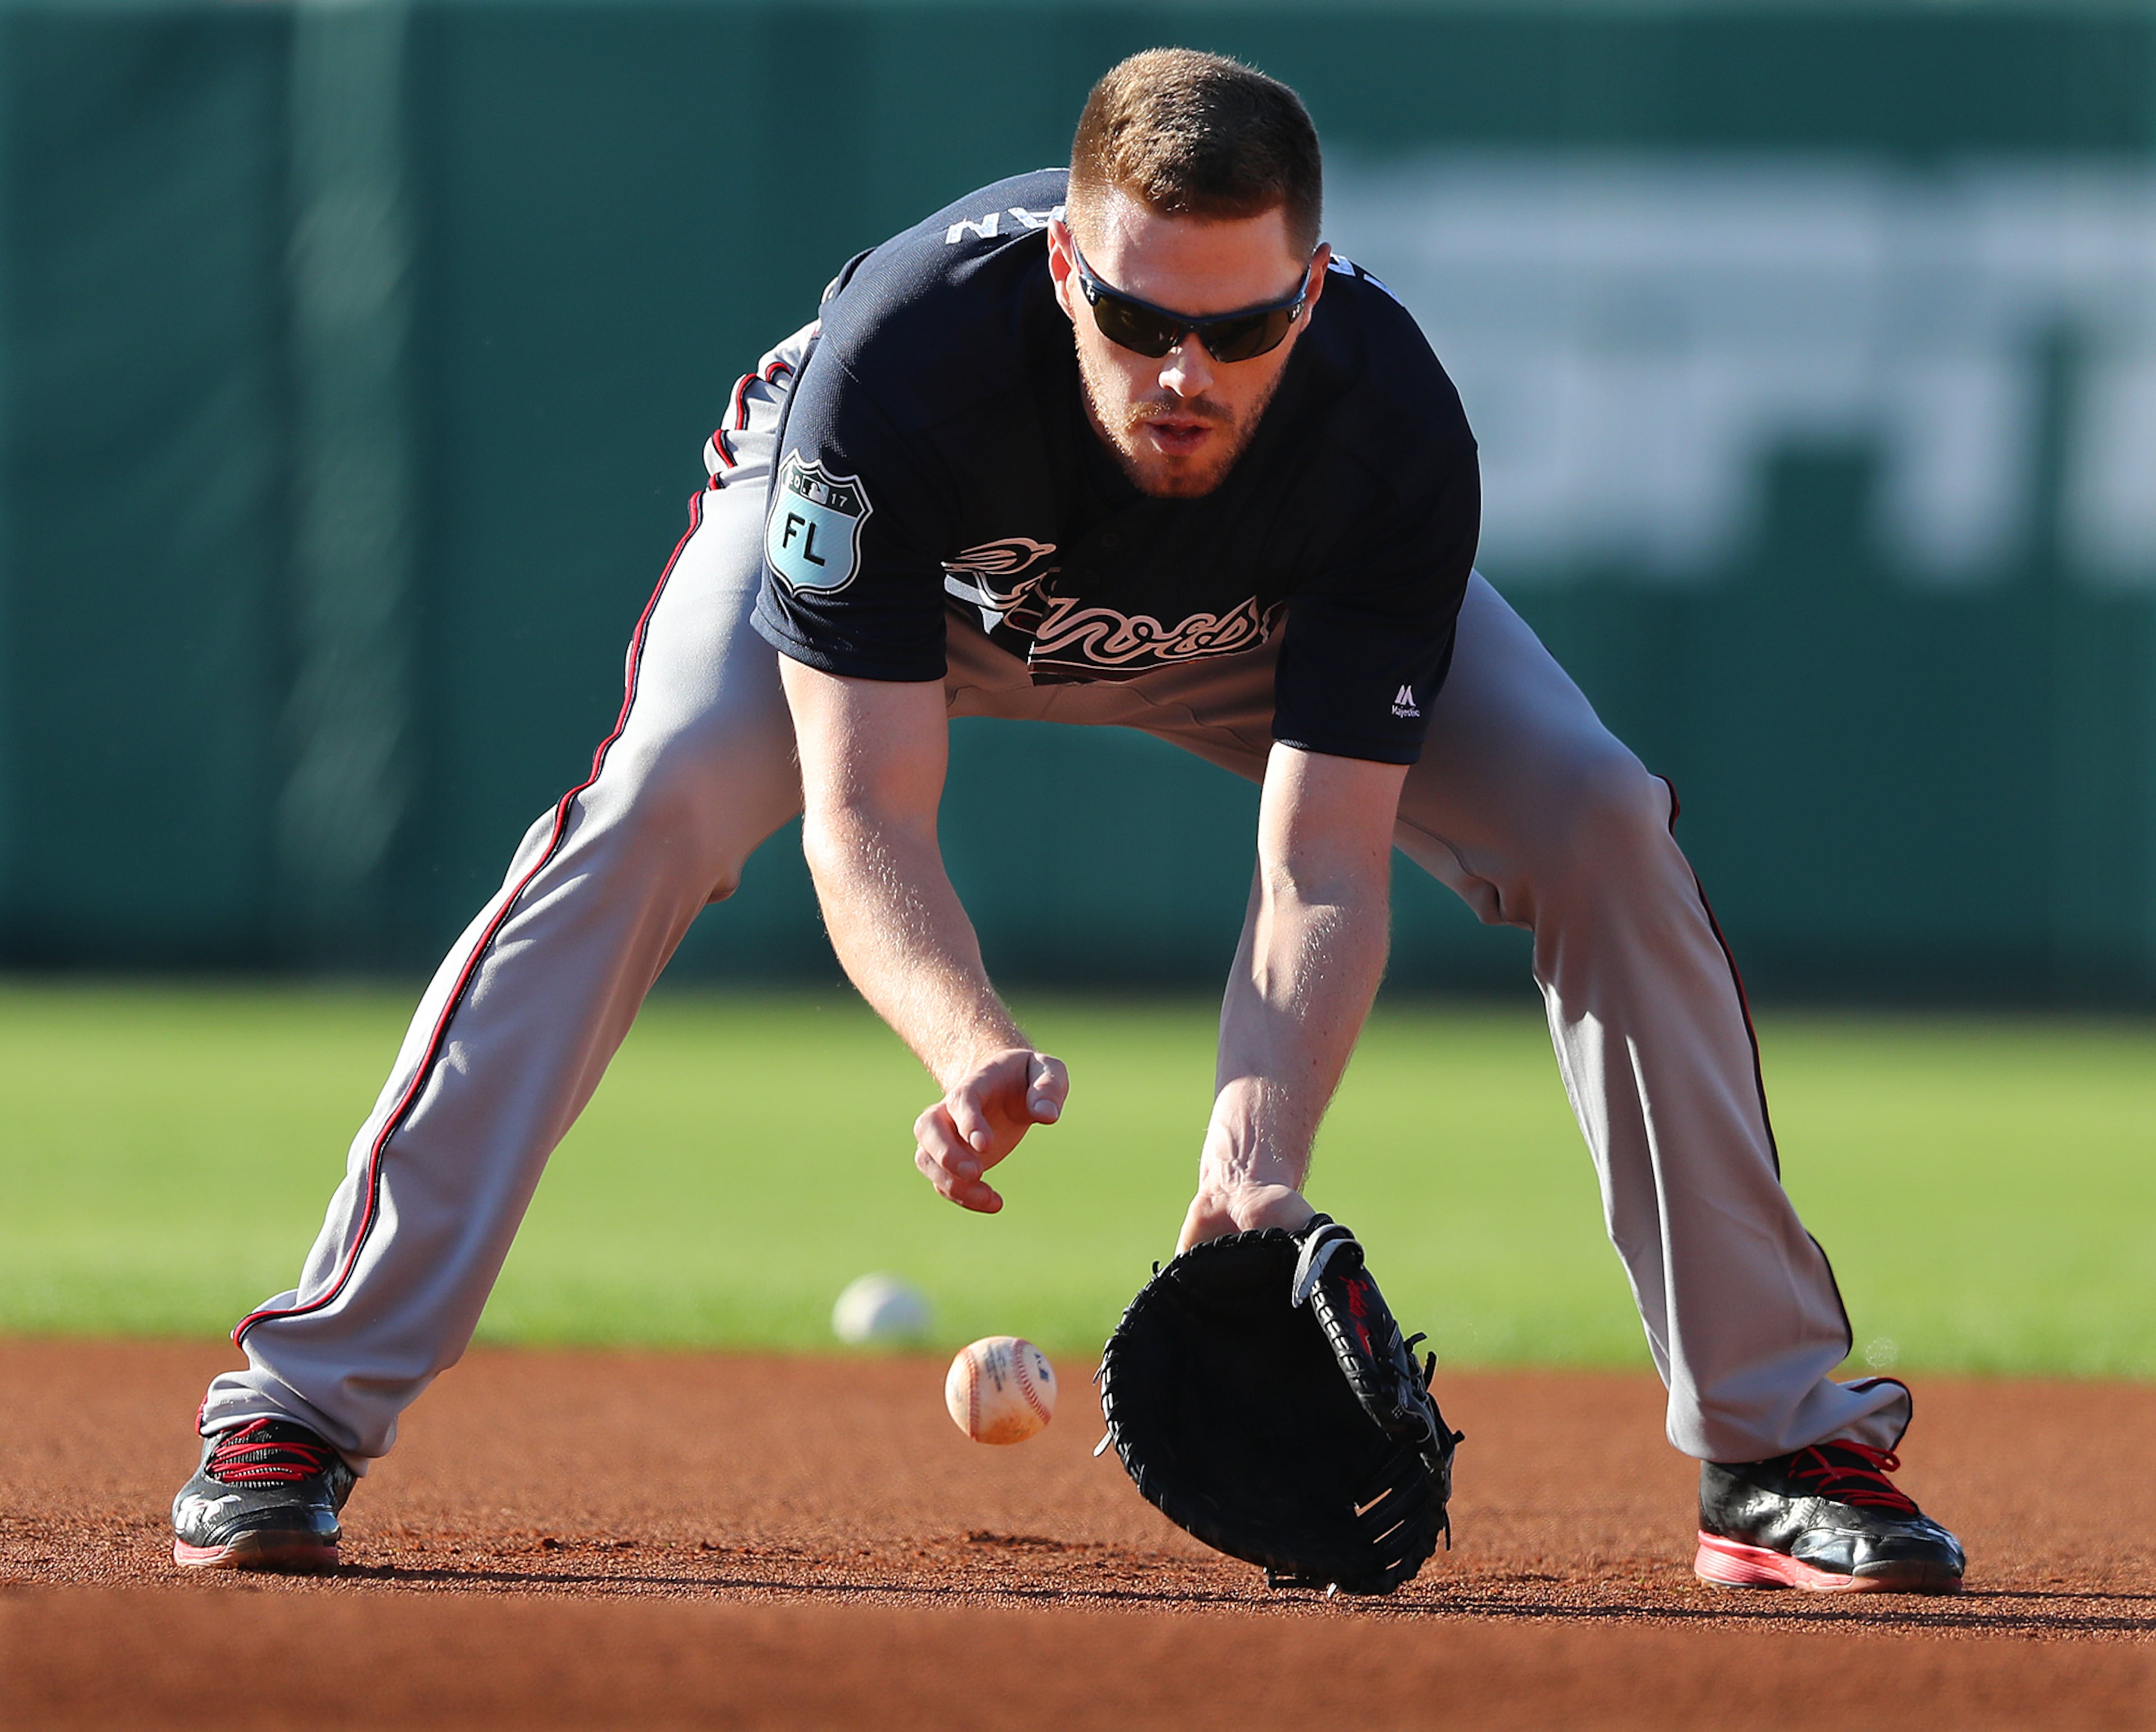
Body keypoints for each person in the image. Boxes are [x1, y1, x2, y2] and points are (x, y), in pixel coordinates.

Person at [172, 48, 1965, 1595]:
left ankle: (1778, 1451)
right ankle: (298, 1405)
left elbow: (1317, 861)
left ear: (1312, 298)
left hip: (1242, 629)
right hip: (904, 593)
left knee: (1593, 814)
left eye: (1241, 328)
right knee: (649, 810)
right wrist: (968, 1043)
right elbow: (862, 811)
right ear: (1059, 272)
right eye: (1135, 317)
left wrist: (1255, 1162)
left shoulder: (1386, 432)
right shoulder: (902, 371)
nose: (1186, 370)